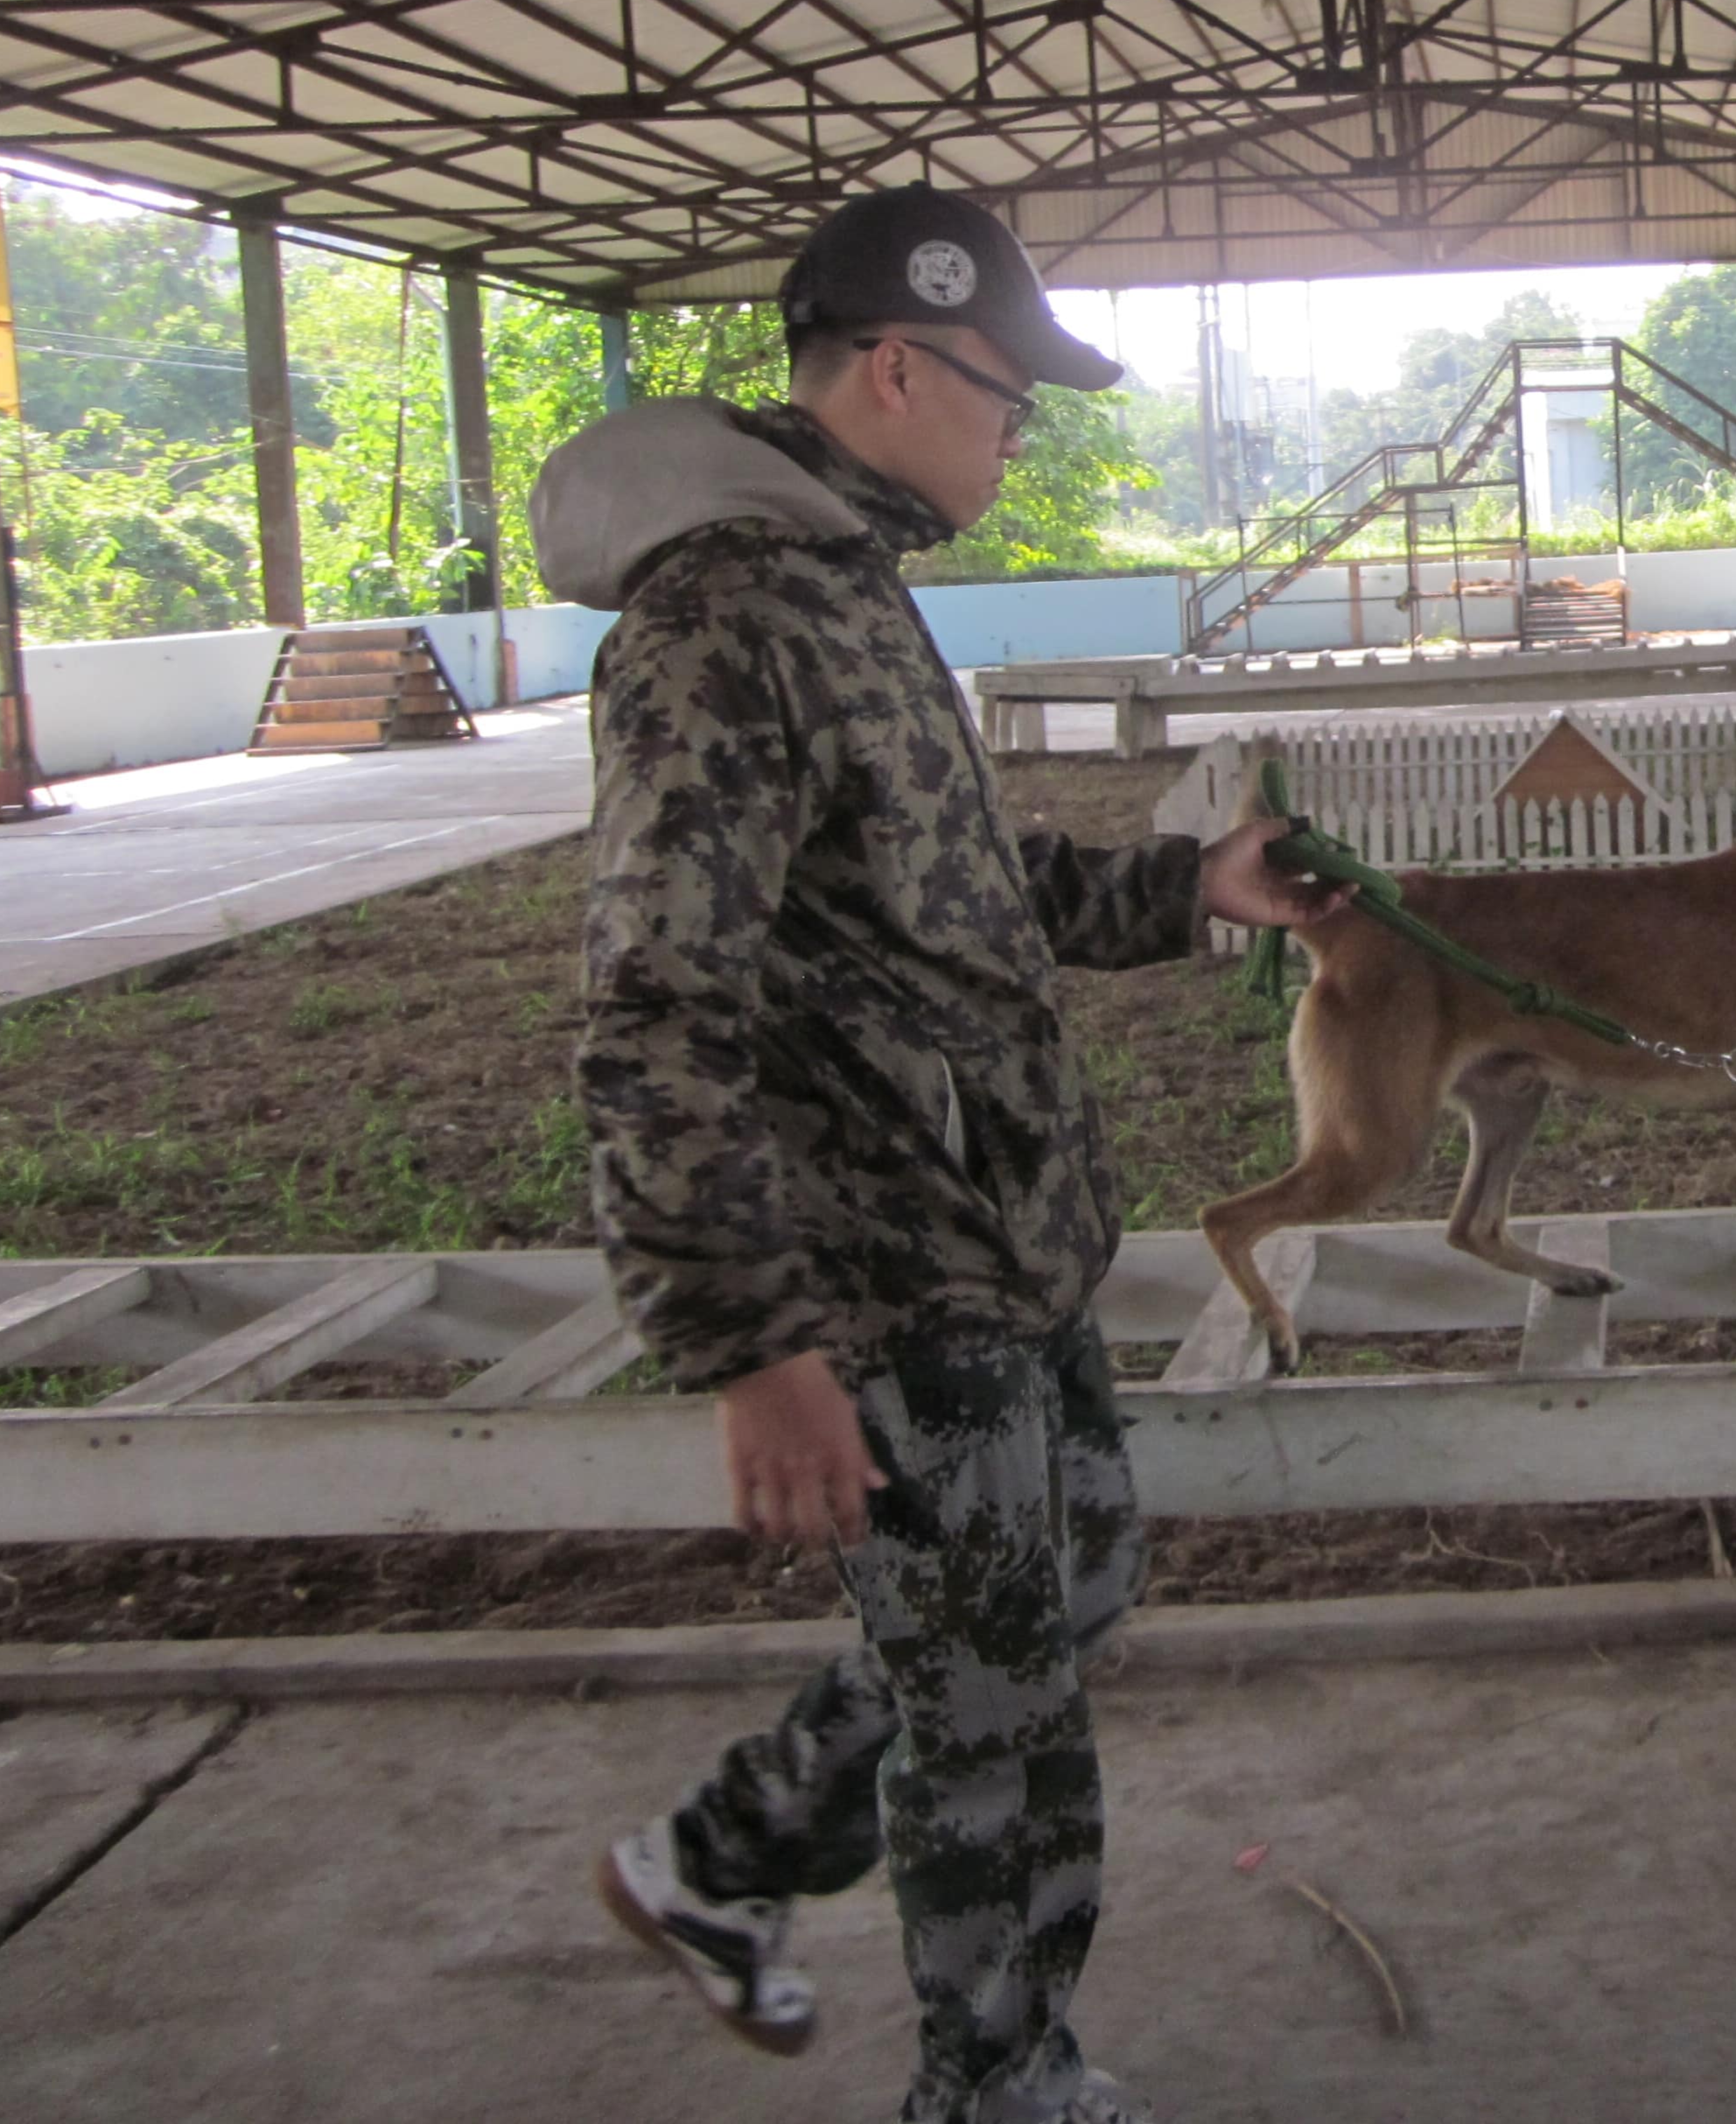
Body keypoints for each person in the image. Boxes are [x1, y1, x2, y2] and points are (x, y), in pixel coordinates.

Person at [528, 184, 1341, 2124]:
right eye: (1004, 392)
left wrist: (1191, 885)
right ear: (894, 367)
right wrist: (753, 1345)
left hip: (992, 1246)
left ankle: (721, 1864)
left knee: (1062, 1588)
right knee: (994, 1721)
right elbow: (655, 1008)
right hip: (886, 1283)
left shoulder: (843, 585)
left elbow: (946, 896)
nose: (1017, 429)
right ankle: (998, 2088)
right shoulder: (726, 622)